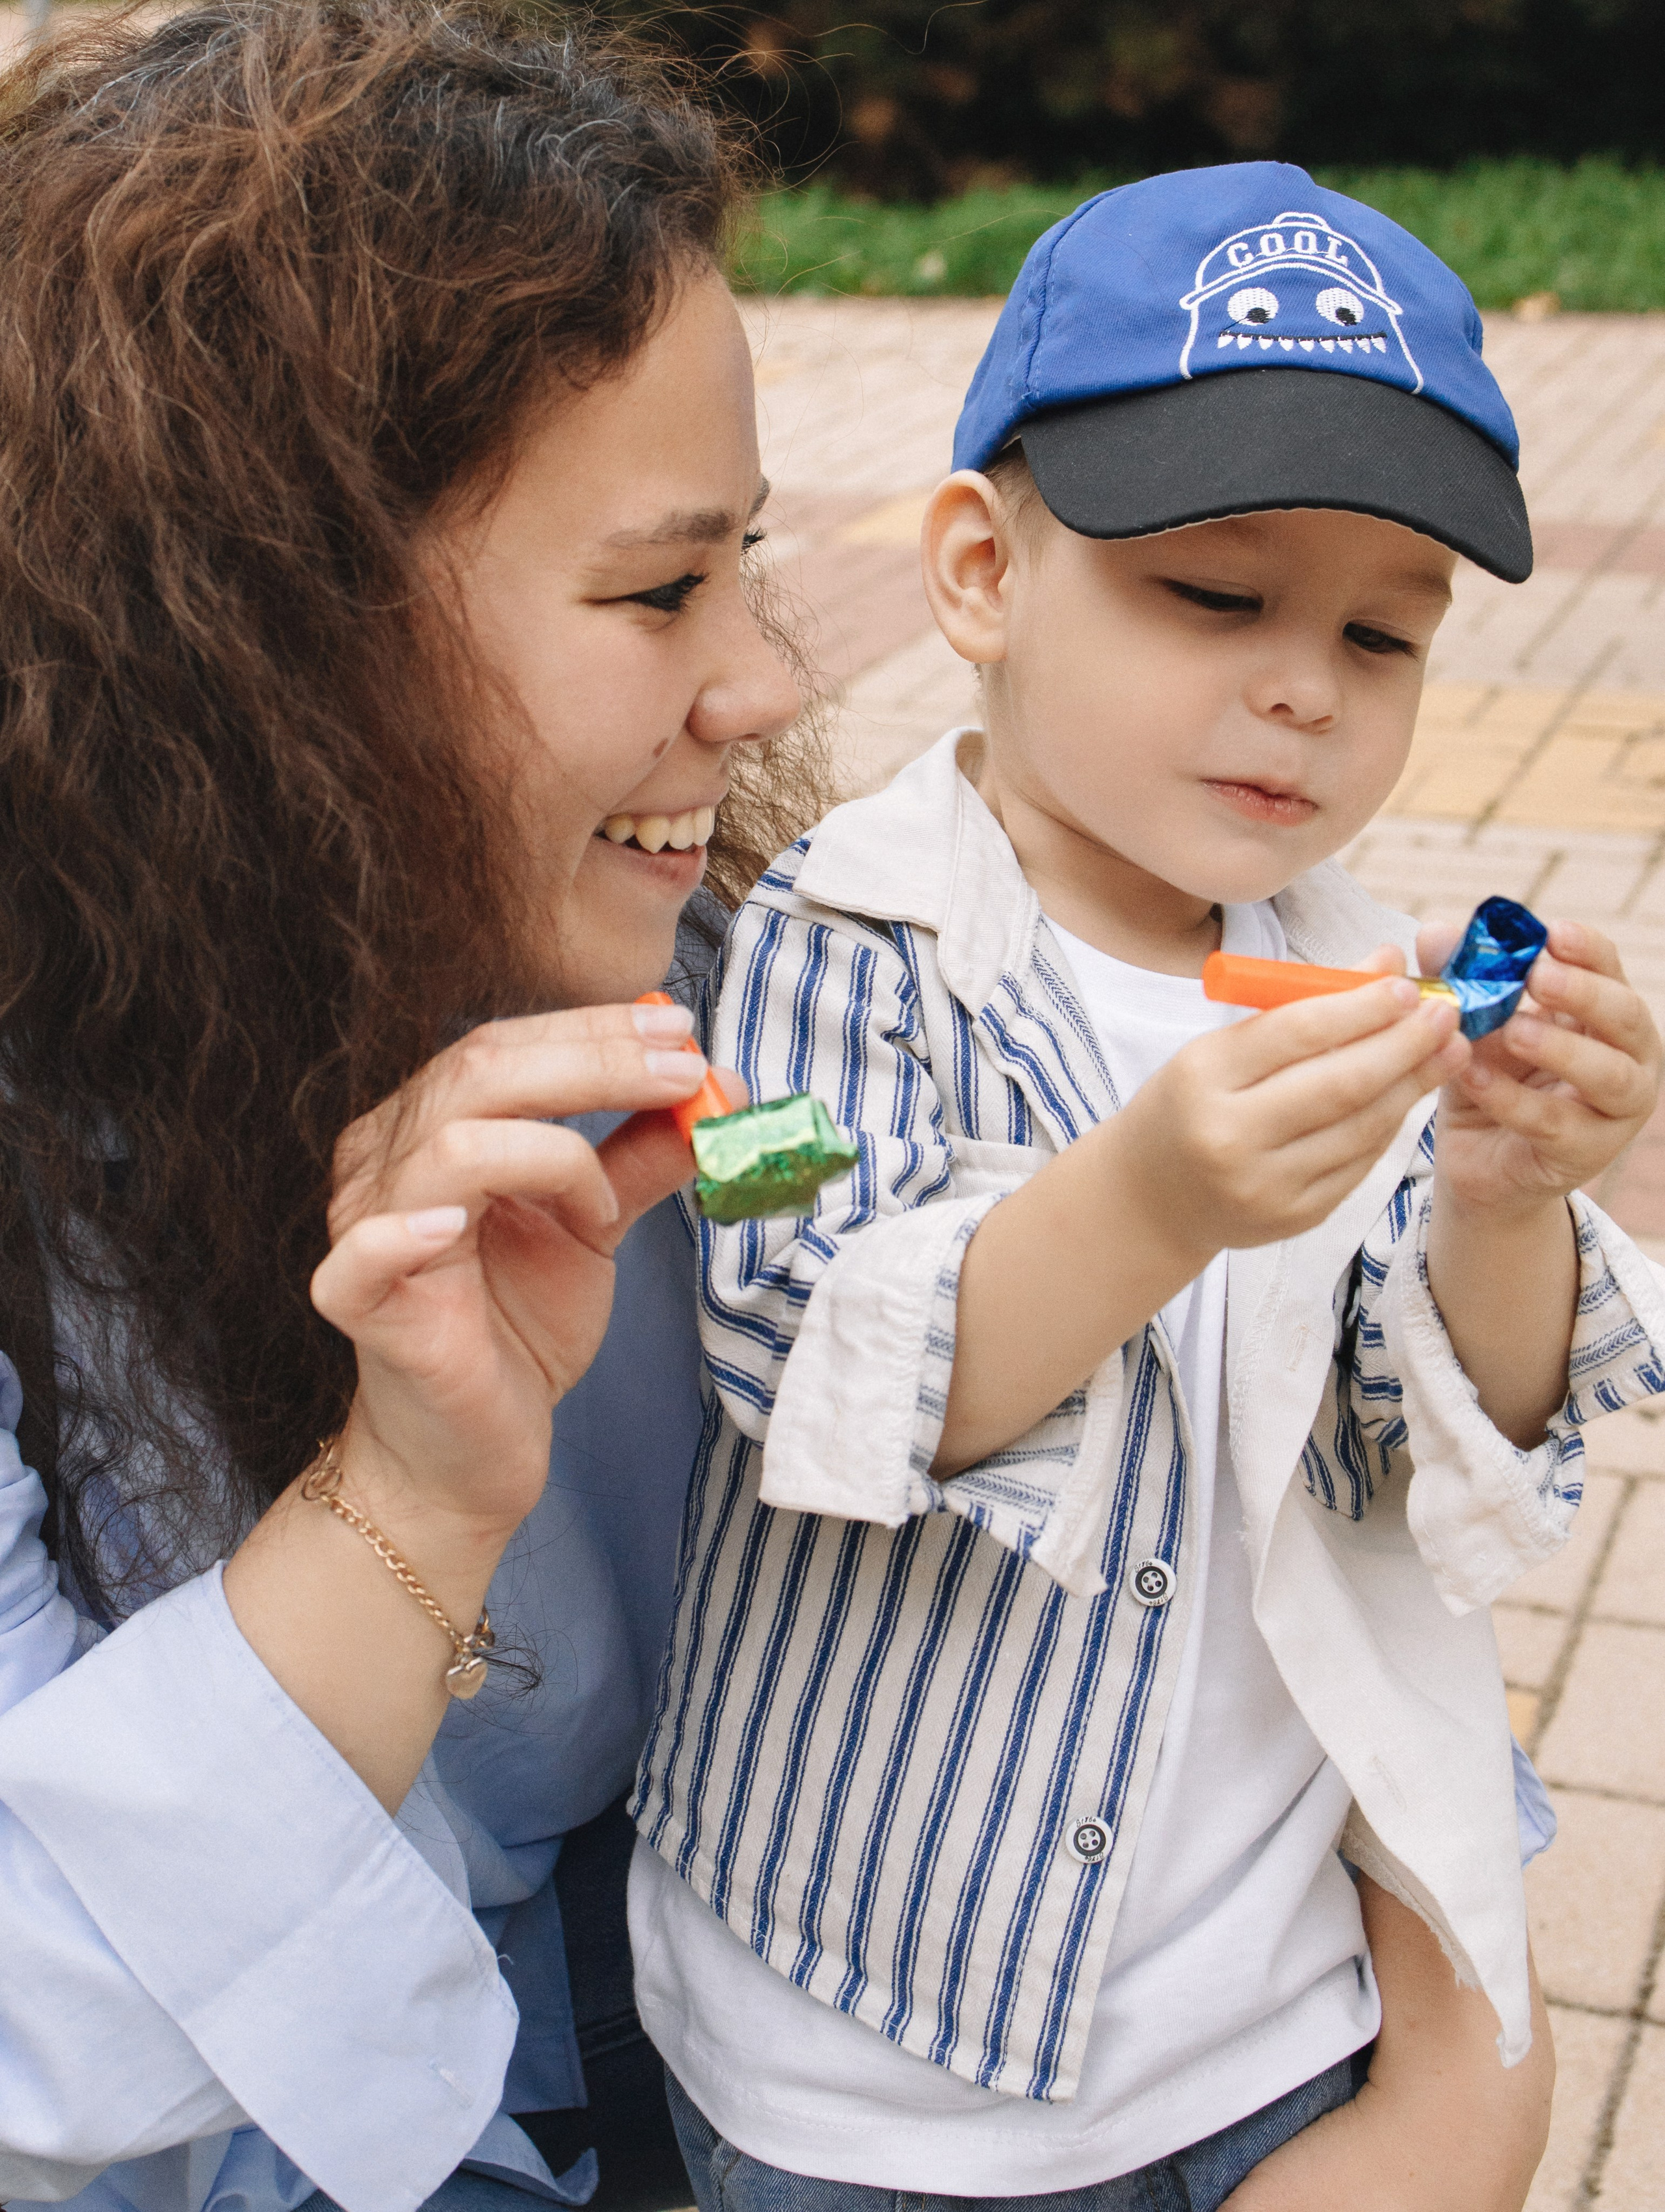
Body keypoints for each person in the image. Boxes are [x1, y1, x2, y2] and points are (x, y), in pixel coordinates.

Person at [630, 167, 1665, 2211]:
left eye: (1385, 633)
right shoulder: (825, 951)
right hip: (876, 2057)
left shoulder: (1357, 979)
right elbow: (804, 1342)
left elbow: (1442, 1447)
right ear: (982, 570)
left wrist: (1507, 1190)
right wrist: (1154, 1200)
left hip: (1267, 2012)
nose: (1307, 686)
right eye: (1218, 596)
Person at [0, 7, 815, 2212]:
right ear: (256, 641)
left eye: (748, 559)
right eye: (658, 589)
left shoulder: (743, 990)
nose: (765, 681)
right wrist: (415, 1491)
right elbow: (31, 2028)